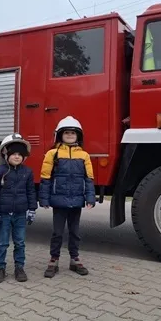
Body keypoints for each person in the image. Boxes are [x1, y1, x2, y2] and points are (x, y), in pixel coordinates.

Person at [39, 116, 96, 278]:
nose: (70, 135)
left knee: (75, 232)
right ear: (60, 135)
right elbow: (45, 178)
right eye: (66, 133)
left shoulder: (84, 155)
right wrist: (44, 198)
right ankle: (53, 260)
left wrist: (90, 198)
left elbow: (88, 178)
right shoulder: (52, 154)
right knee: (57, 232)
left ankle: (74, 259)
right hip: (58, 200)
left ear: (79, 136)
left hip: (76, 201)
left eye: (73, 133)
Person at [0, 133, 37, 284]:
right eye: (13, 154)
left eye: (20, 154)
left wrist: (32, 208)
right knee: (2, 242)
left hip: (20, 213)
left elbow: (31, 191)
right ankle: (0, 268)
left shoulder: (27, 172)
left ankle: (19, 267)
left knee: (20, 242)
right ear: (6, 154)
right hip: (3, 214)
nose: (17, 157)